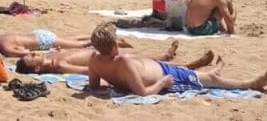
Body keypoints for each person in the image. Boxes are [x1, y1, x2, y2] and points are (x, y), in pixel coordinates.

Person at [87, 21, 267, 95]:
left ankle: (215, 70)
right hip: (165, 77)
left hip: (160, 68)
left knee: (184, 69)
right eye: (117, 43)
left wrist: (118, 83)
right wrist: (163, 83)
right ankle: (249, 84)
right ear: (113, 47)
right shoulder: (123, 62)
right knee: (209, 80)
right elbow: (142, 93)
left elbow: (94, 86)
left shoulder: (94, 60)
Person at [15, 40, 215, 75]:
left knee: (139, 56)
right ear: (38, 69)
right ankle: (189, 65)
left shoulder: (53, 55)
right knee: (144, 63)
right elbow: (85, 70)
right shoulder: (58, 64)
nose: (34, 52)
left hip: (103, 54)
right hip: (105, 61)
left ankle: (166, 55)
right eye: (33, 57)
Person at [0, 29, 119, 58]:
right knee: (70, 39)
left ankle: (104, 38)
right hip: (38, 33)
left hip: (44, 41)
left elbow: (27, 53)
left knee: (81, 45)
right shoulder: (0, 38)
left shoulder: (5, 48)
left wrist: (49, 52)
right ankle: (95, 33)